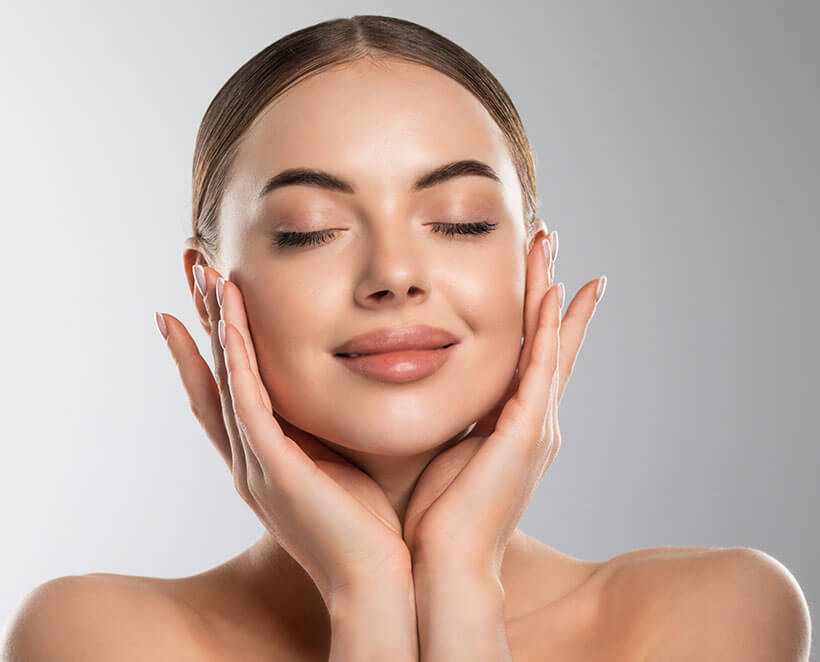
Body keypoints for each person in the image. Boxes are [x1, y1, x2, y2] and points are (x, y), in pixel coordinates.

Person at [3, 14, 809, 662]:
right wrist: (365, 598)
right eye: (309, 231)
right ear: (207, 288)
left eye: (459, 221)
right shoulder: (94, 637)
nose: (395, 274)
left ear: (532, 260)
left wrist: (461, 583)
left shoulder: (714, 614)